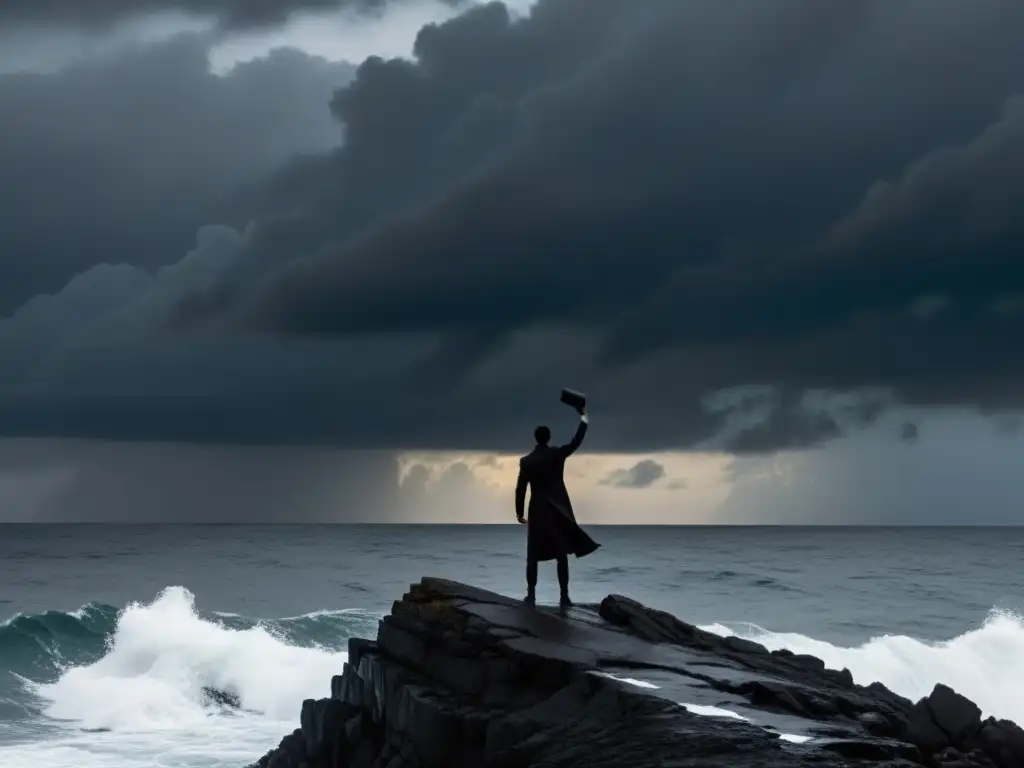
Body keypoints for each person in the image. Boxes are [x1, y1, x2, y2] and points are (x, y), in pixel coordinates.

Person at [515, 405, 600, 607]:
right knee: (561, 554)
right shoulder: (556, 454)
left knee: (532, 555)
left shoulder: (527, 461)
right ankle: (564, 596)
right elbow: (575, 442)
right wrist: (584, 419)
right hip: (556, 509)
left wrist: (519, 513)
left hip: (537, 509)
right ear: (548, 438)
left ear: (536, 439)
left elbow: (520, 489)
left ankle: (531, 595)